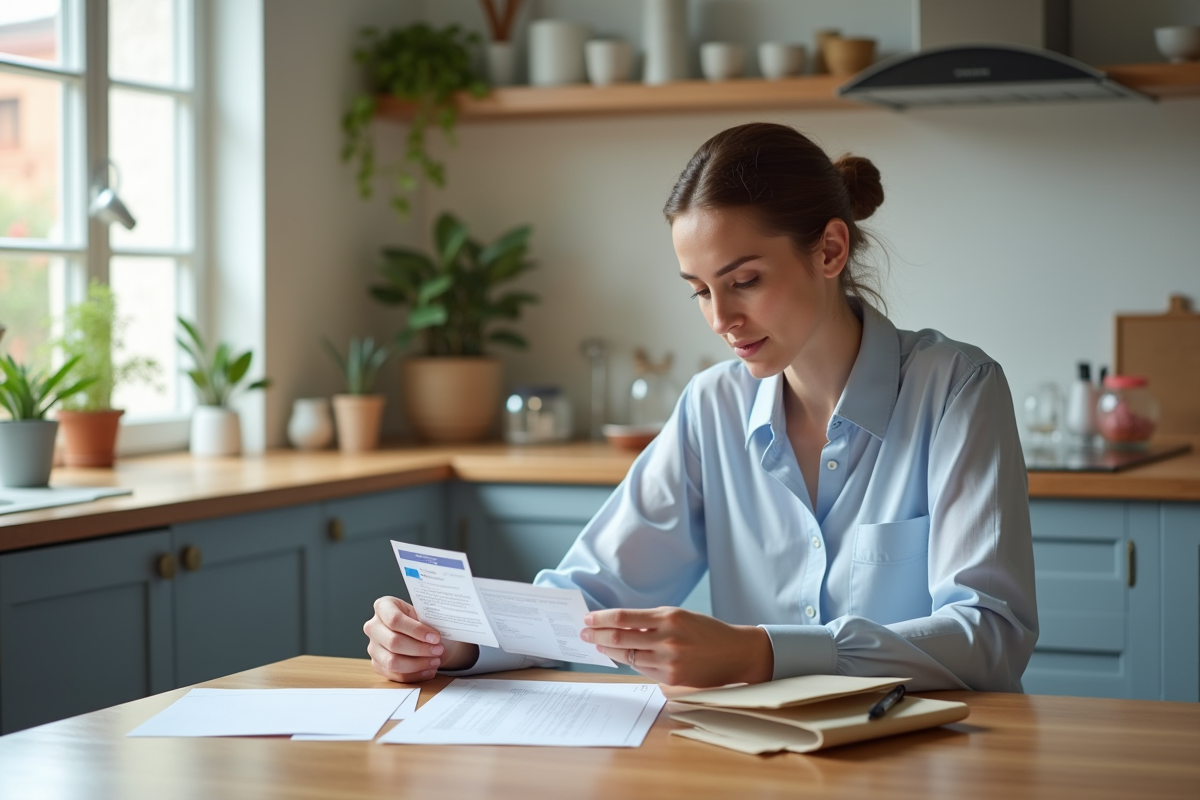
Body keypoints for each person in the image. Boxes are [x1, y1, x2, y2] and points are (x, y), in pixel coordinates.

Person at [364, 122, 1038, 692]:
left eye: (744, 281)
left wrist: (762, 653)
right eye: (699, 291)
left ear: (830, 250)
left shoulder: (957, 389)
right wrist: (458, 642)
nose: (721, 319)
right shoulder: (713, 407)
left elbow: (988, 635)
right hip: (757, 766)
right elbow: (590, 599)